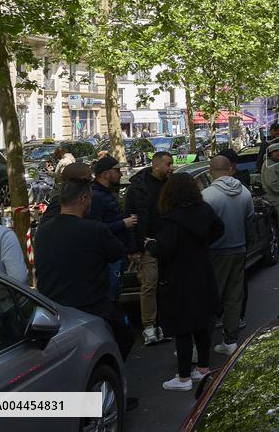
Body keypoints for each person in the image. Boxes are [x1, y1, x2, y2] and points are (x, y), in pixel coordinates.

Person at [34, 164, 137, 376]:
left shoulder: (43, 232)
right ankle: (110, 384)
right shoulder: (94, 229)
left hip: (54, 307)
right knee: (123, 337)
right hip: (92, 306)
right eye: (89, 198)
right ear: (83, 200)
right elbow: (117, 252)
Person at [146, 172, 224, 391]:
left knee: (182, 327)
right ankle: (203, 369)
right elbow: (220, 229)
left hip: (178, 278)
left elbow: (164, 249)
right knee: (201, 324)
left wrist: (150, 245)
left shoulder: (172, 221)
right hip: (202, 273)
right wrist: (204, 244)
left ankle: (183, 378)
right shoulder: (205, 211)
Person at [202, 156, 254, 356]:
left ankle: (202, 346)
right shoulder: (244, 192)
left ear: (211, 170)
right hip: (239, 248)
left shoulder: (207, 195)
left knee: (211, 299)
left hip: (215, 251)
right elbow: (249, 219)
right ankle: (230, 339)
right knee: (234, 296)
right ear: (230, 169)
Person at [126, 151, 173, 346]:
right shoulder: (138, 187)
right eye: (168, 164)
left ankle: (165, 323)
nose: (171, 168)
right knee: (149, 284)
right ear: (156, 165)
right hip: (146, 244)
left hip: (167, 242)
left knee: (167, 283)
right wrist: (134, 248)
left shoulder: (171, 185)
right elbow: (130, 217)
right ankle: (149, 326)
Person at [89, 156, 137, 301]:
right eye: (117, 171)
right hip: (108, 258)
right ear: (105, 174)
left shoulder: (105, 194)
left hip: (115, 254)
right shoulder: (97, 197)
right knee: (110, 297)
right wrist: (123, 224)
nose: (121, 174)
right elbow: (95, 228)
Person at [261, 145, 279, 224]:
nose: (278, 153)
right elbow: (272, 182)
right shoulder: (268, 164)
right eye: (275, 151)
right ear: (270, 153)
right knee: (275, 222)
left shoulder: (276, 163)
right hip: (274, 198)